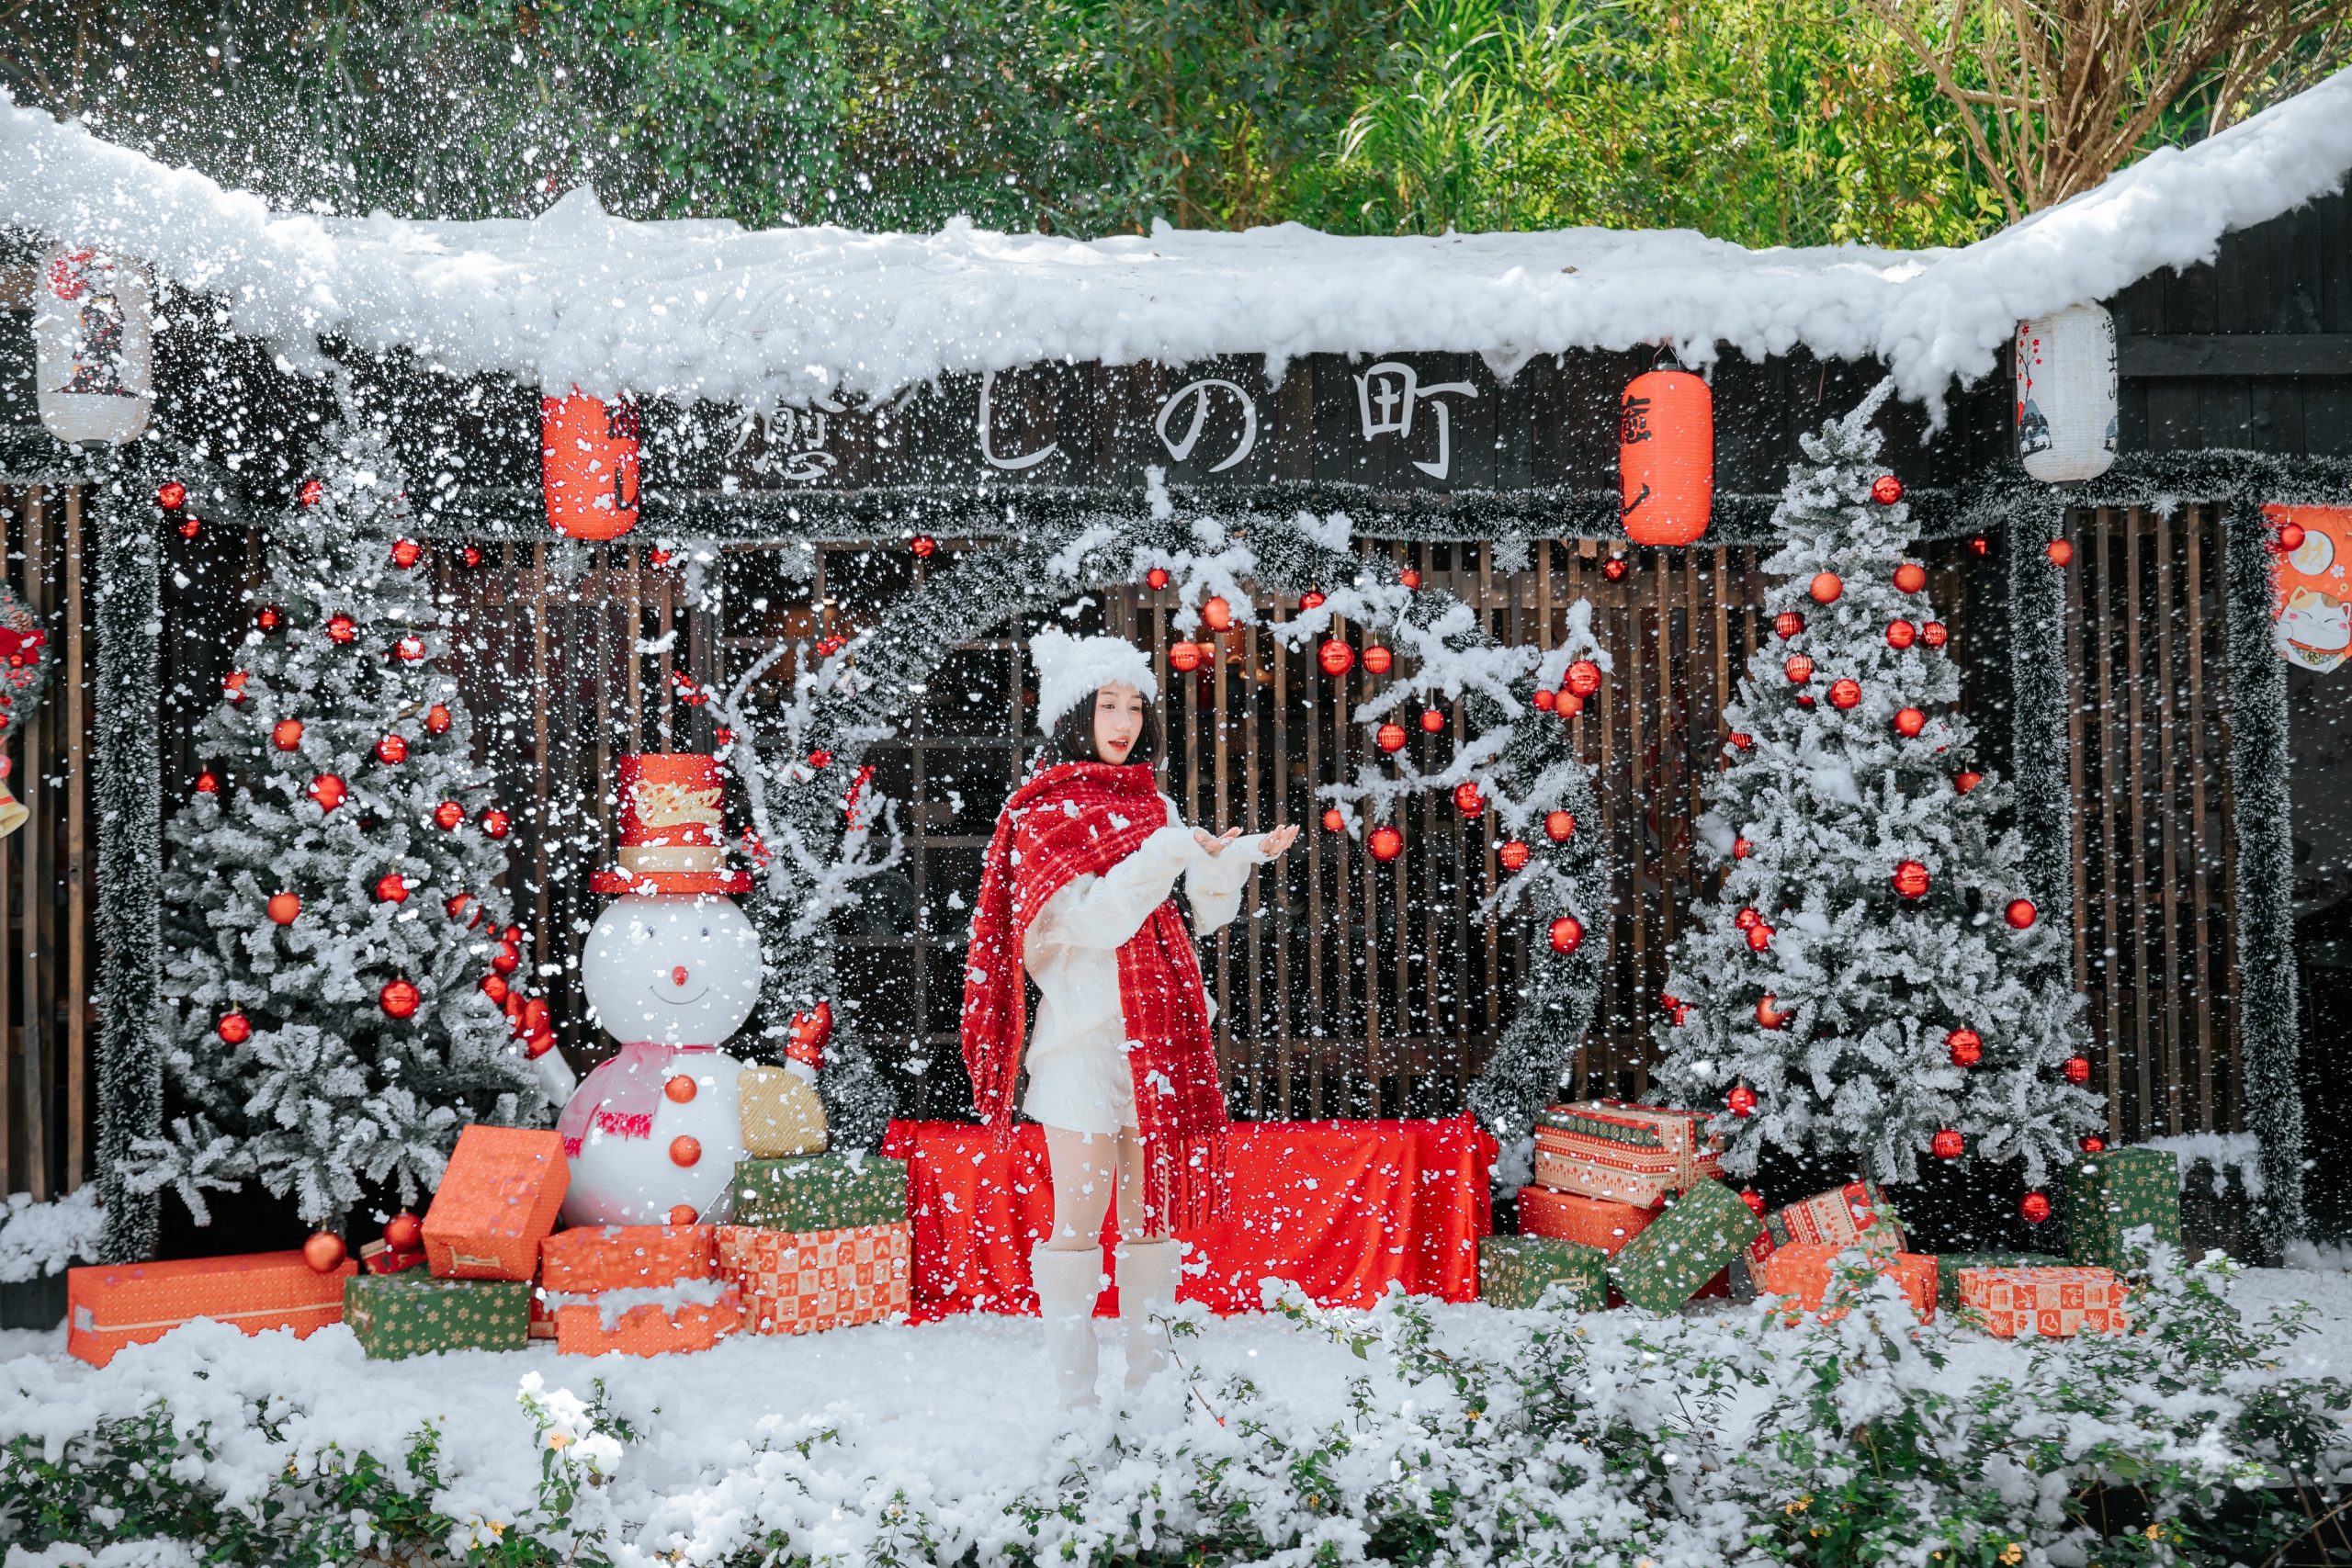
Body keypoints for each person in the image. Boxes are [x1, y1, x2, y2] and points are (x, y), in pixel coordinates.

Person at [962, 628, 1298, 1409]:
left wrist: (1232, 858)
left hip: (1156, 1036)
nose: (1124, 721)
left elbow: (1200, 914)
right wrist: (1171, 850)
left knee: (1151, 1223)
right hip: (1082, 1042)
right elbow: (1095, 922)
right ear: (1076, 714)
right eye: (1107, 705)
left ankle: (1153, 1391)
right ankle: (1075, 1402)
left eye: (1135, 705)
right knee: (1079, 1223)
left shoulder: (1152, 804)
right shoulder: (1039, 812)